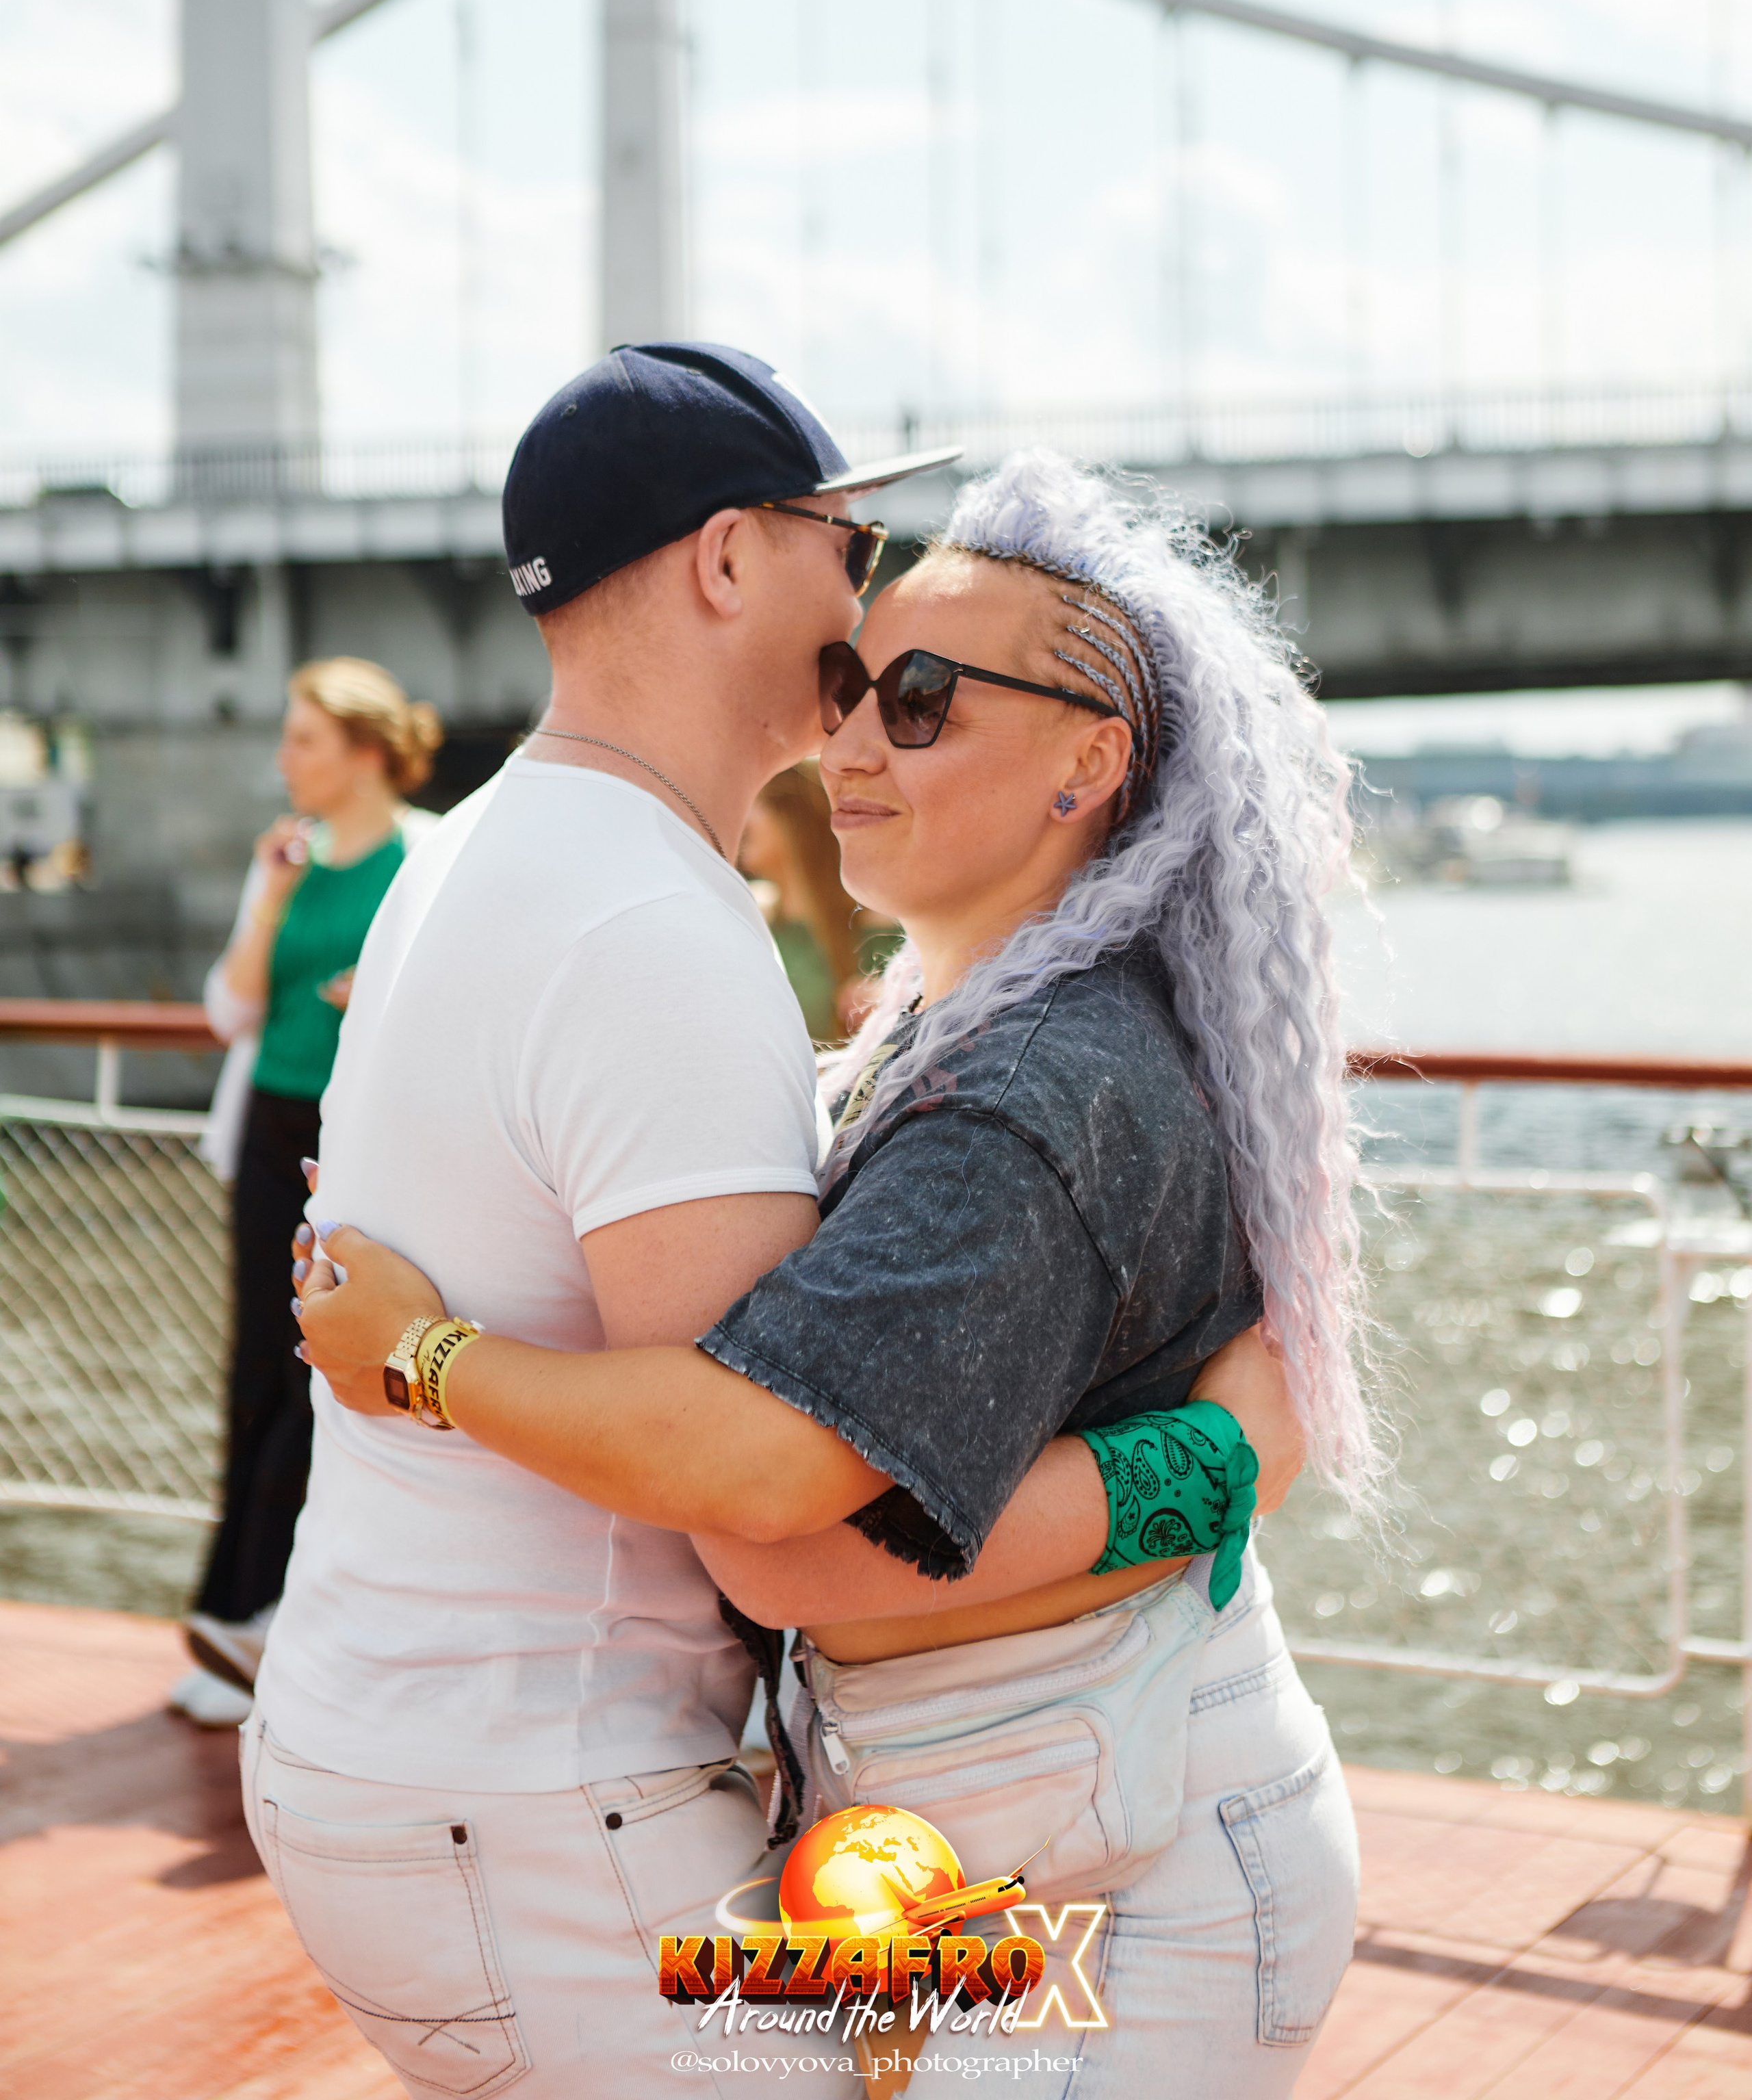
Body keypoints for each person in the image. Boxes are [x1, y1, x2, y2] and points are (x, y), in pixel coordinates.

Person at [296, 448, 1375, 2097]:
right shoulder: (934, 1041)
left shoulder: (1034, 1093)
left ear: (1094, 758)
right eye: (852, 687)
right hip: (993, 1843)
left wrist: (423, 1353)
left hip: (1128, 1876)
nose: (853, 742)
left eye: (924, 697)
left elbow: (783, 1552)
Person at [244, 346, 988, 2094]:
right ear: (728, 559)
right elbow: (755, 1485)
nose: (870, 599)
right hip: (540, 1806)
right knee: (1019, 2020)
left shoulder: (484, 849)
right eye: (847, 545)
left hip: (407, 1748)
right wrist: (1207, 1454)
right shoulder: (650, 919)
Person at [168, 659, 442, 1730]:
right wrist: (272, 897)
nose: (285, 760)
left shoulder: (426, 854)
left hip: (360, 1141)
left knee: (320, 1372)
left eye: (305, 741)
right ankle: (233, 1609)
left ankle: (286, 1620)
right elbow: (232, 1012)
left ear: (367, 750)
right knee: (255, 1371)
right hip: (274, 1128)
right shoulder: (285, 862)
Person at [738, 761, 863, 1039]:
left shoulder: (878, 927)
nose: (738, 817)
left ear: (790, 816)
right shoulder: (745, 919)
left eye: (752, 803)